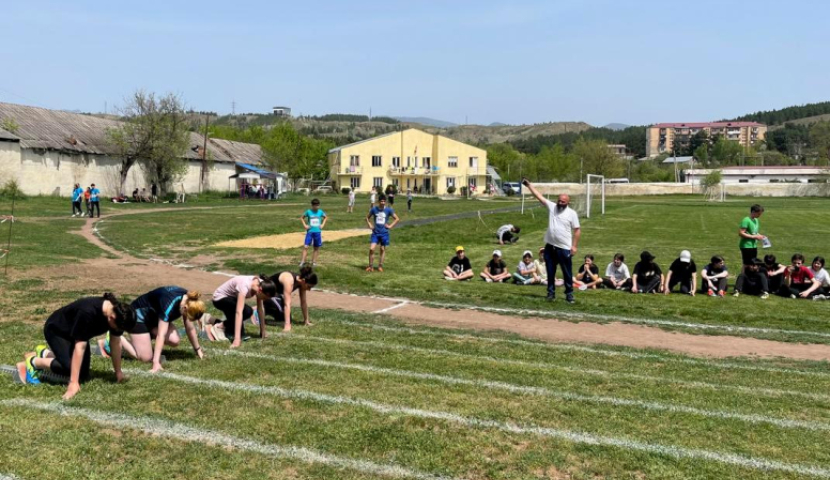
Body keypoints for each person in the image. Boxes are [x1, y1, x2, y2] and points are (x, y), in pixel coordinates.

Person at [14, 293, 135, 400]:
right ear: (111, 318)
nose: (118, 331)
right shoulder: (88, 312)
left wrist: (118, 372)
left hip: (75, 334)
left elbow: (115, 343)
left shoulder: (119, 314)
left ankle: (44, 353)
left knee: (83, 374)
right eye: (119, 328)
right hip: (57, 330)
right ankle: (34, 362)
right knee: (70, 369)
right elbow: (80, 347)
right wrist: (73, 383)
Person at [104, 287, 206, 372]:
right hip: (138, 318)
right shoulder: (169, 303)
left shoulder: (189, 300)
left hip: (153, 319)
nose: (186, 318)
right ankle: (114, 337)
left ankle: (145, 339)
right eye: (187, 316)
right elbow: (161, 335)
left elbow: (190, 328)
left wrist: (197, 349)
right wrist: (156, 362)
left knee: (175, 340)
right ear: (185, 308)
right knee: (146, 358)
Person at [523, 179, 581, 303]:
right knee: (550, 271)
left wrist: (574, 246)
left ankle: (569, 294)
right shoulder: (552, 207)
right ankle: (550, 293)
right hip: (550, 247)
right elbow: (539, 196)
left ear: (568, 202)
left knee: (567, 273)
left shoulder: (572, 214)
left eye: (563, 201)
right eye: (559, 200)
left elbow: (577, 230)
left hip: (564, 248)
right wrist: (529, 185)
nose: (560, 203)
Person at [211, 275, 277, 348]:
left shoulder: (262, 284)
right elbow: (239, 312)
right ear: (260, 290)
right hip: (219, 299)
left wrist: (263, 331)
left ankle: (220, 324)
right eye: (264, 298)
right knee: (247, 311)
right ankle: (220, 326)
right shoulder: (244, 286)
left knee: (241, 328)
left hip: (232, 299)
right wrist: (237, 340)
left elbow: (260, 309)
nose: (264, 300)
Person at [266, 266, 318, 331]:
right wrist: (287, 325)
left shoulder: (301, 283)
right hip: (265, 294)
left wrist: (306, 321)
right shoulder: (289, 280)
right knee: (284, 318)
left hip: (275, 295)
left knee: (284, 318)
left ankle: (265, 311)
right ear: (304, 281)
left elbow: (303, 302)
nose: (309, 289)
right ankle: (257, 311)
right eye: (309, 287)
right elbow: (287, 303)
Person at [366, 195, 399, 272]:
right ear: (378, 201)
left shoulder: (389, 210)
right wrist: (370, 225)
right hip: (375, 233)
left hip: (384, 233)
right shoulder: (374, 209)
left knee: (382, 249)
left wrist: (390, 226)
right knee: (371, 249)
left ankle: (380, 266)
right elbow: (367, 218)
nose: (383, 203)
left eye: (384, 201)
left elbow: (397, 219)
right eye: (381, 201)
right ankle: (370, 266)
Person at [738, 204, 766, 273]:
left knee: (753, 263)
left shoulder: (756, 220)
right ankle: (742, 277)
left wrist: (761, 236)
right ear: (753, 212)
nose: (760, 215)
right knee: (746, 264)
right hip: (746, 246)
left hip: (753, 245)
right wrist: (754, 237)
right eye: (758, 213)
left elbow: (754, 232)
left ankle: (750, 277)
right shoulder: (746, 220)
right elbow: (741, 233)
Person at [300, 198, 327, 267]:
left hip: (317, 232)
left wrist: (322, 225)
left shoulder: (320, 212)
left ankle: (314, 262)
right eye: (315, 205)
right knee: (305, 247)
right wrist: (305, 225)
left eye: (318, 205)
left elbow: (325, 217)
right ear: (312, 205)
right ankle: (302, 262)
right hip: (310, 232)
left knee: (316, 248)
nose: (316, 207)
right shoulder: (308, 212)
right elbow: (302, 218)